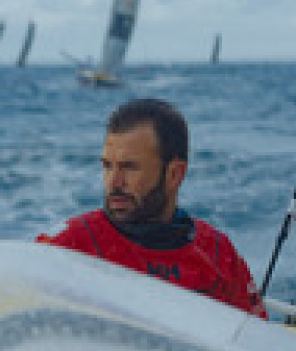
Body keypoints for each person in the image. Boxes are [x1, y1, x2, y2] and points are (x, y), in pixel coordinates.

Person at [37, 98, 266, 319]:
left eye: (129, 167)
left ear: (175, 174)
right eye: (107, 166)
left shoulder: (218, 254)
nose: (114, 182)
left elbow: (256, 344)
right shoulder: (69, 246)